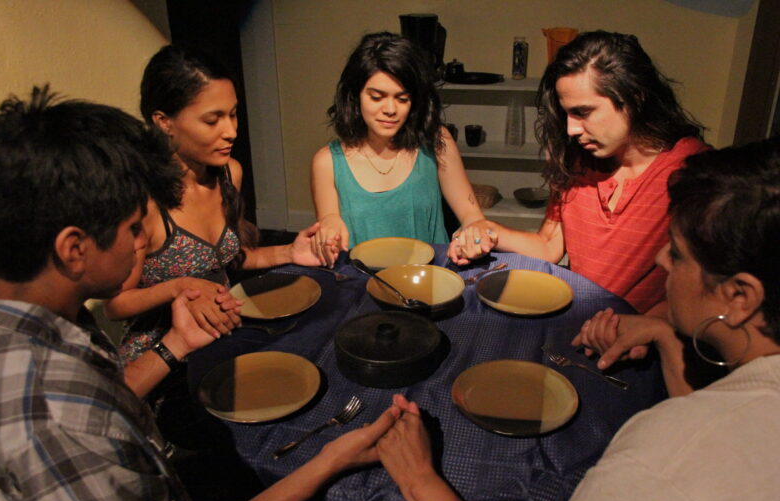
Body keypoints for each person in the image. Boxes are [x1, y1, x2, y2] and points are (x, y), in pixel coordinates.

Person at [0, 86, 404, 501]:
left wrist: (176, 343)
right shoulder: (60, 428)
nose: (143, 242)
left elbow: (110, 396)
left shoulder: (13, 306)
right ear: (73, 248)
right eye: (131, 229)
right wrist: (326, 463)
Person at [376, 137, 780, 501]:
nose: (661, 259)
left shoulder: (657, 459)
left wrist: (419, 482)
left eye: (675, 252)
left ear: (739, 296)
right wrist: (660, 329)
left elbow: (700, 441)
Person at [451, 30, 707, 316]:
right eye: (567, 115)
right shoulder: (579, 162)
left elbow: (709, 288)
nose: (571, 129)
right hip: (578, 323)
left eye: (583, 112)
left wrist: (649, 325)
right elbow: (549, 246)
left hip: (641, 339)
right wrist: (489, 230)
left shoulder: (693, 171)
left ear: (634, 97)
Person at [104, 45, 332, 363]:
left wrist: (289, 252)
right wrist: (178, 288)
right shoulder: (144, 200)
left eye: (233, 114)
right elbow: (116, 304)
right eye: (213, 120)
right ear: (164, 122)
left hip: (221, 337)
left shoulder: (228, 175)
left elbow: (226, 261)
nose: (232, 131)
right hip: (162, 356)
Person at [310, 31, 495, 266]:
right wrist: (328, 228)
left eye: (402, 98)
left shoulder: (436, 142)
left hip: (428, 282)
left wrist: (475, 231)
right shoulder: (327, 162)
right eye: (376, 97)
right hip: (362, 286)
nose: (390, 109)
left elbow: (472, 217)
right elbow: (328, 222)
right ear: (355, 97)